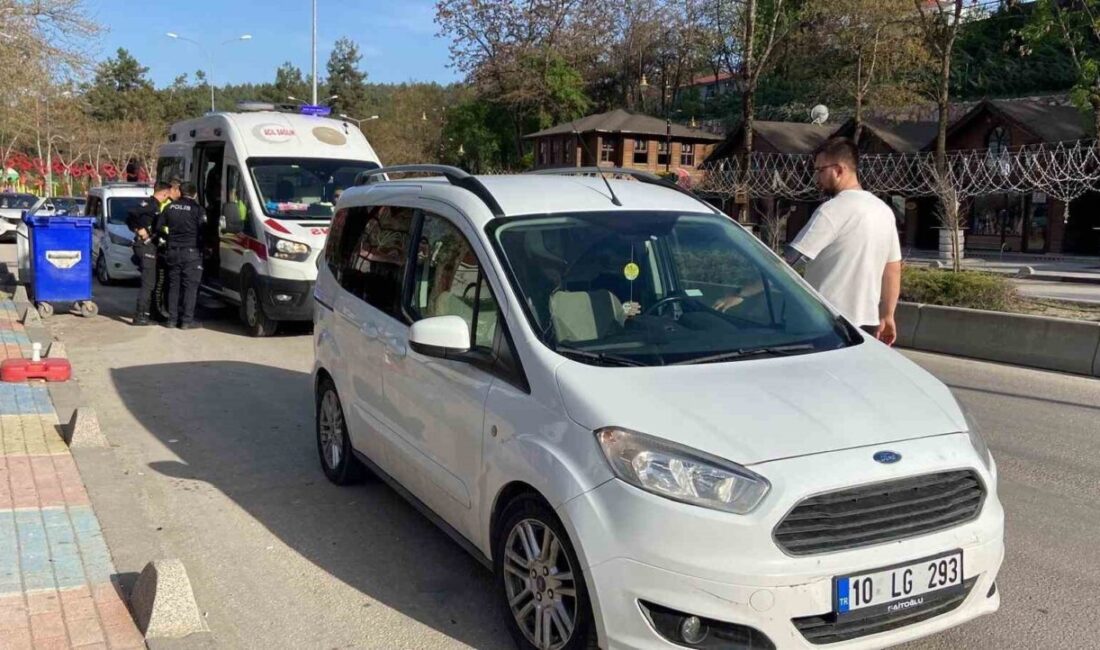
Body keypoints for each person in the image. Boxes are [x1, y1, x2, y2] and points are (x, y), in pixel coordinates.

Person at [156, 182, 205, 329]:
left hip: (172, 251)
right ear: (195, 194)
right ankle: (186, 321)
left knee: (173, 286)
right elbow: (204, 231)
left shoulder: (170, 207)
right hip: (191, 252)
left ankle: (171, 320)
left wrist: (169, 237)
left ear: (180, 192)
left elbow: (158, 227)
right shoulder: (197, 209)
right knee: (190, 287)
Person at [125, 181, 172, 326]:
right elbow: (131, 214)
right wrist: (139, 229)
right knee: (148, 283)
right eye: (168, 194)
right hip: (145, 247)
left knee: (154, 281)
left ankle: (151, 313)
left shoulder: (156, 205)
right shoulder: (150, 204)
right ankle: (140, 316)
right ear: (164, 193)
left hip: (152, 246)